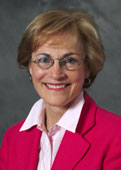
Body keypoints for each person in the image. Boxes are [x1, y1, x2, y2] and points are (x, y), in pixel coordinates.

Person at [0, 9, 121, 170]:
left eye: (70, 60)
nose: (56, 74)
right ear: (30, 66)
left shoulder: (116, 135)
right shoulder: (13, 138)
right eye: (44, 59)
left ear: (87, 68)